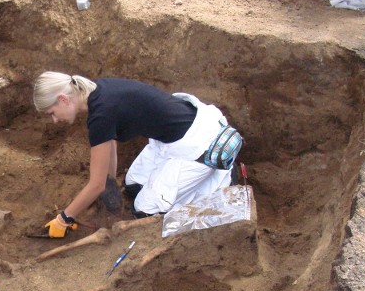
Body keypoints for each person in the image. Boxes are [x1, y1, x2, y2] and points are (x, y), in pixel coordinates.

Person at [33, 71, 242, 237]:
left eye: (52, 113)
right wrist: (111, 183)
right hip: (171, 138)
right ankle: (189, 179)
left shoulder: (100, 115)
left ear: (63, 99)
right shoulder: (98, 90)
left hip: (200, 143)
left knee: (144, 211)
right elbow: (110, 142)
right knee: (133, 187)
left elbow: (95, 185)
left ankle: (222, 180)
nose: (54, 120)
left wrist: (64, 218)